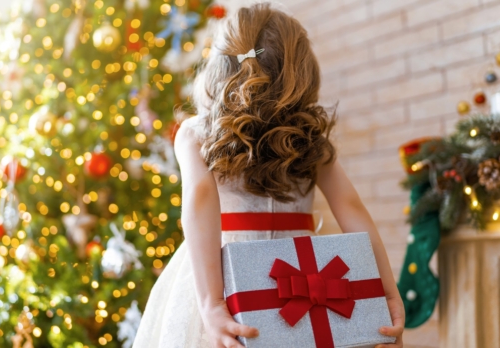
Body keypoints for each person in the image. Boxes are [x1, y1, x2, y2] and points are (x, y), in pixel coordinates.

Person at [133, 3, 404, 348]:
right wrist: (386, 292)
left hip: (220, 273)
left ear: (219, 65)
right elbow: (351, 208)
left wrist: (212, 304)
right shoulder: (310, 138)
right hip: (302, 277)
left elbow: (200, 203)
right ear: (303, 72)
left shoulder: (196, 132)